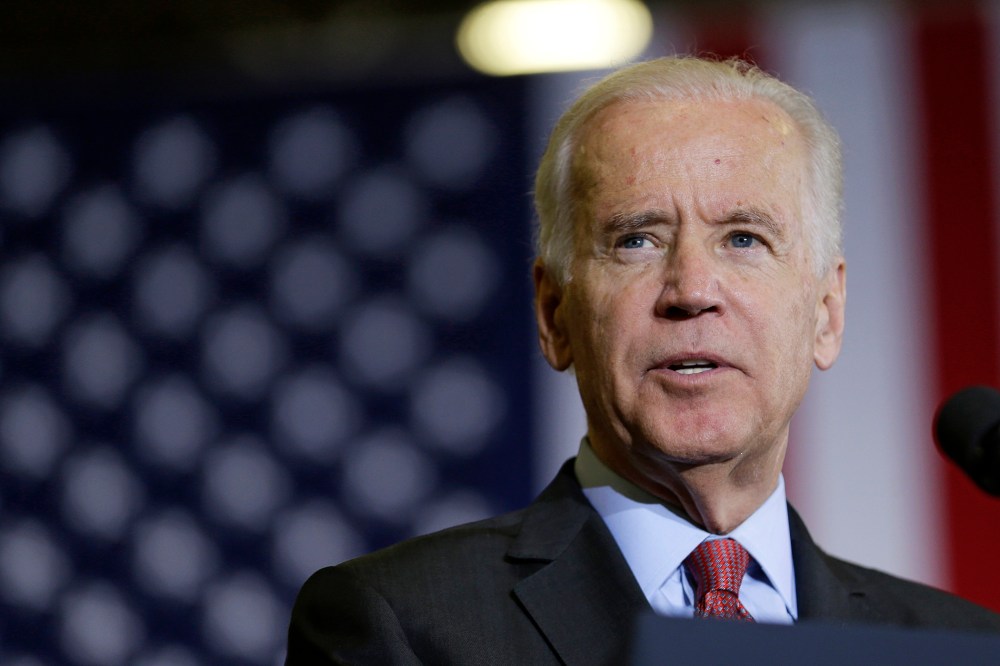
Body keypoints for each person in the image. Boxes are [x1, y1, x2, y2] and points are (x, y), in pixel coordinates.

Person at [285, 56, 1000, 664]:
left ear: (826, 313)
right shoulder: (403, 628)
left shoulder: (958, 645)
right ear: (554, 314)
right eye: (637, 240)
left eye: (744, 239)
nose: (691, 290)